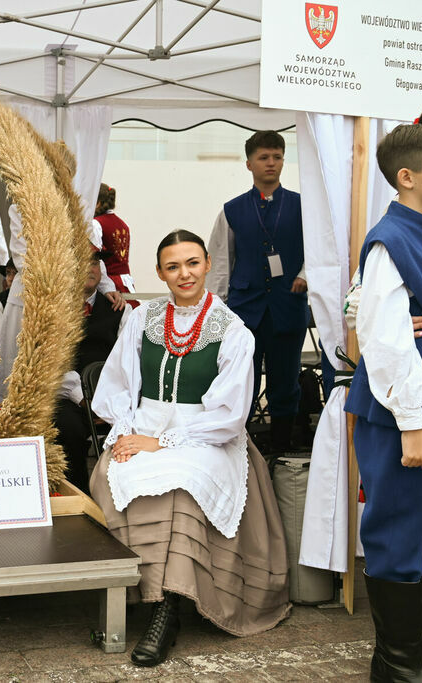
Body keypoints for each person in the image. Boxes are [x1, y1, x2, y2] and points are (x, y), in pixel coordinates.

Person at [89, 229, 290, 667]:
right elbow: (117, 385)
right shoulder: (141, 319)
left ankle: (167, 610)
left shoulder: (233, 331)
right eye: (174, 266)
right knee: (116, 472)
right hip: (144, 421)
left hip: (206, 433)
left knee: (183, 483)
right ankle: (138, 595)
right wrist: (128, 432)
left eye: (193, 263)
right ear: (160, 273)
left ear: (208, 266)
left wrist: (162, 442)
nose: (185, 273)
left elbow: (228, 415)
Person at [344, 123, 422, 681]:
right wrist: (410, 423)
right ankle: (395, 666)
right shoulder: (393, 237)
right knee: (398, 535)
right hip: (408, 416)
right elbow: (383, 339)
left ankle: (412, 660)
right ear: (409, 178)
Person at [207, 131, 308, 452]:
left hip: (287, 308)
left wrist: (305, 275)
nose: (271, 163)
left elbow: (321, 249)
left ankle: (279, 452)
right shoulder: (232, 210)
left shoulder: (302, 206)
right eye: (264, 157)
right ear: (249, 163)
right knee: (240, 383)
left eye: (277, 157)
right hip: (243, 311)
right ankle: (239, 450)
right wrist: (218, 310)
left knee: (285, 384)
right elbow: (221, 260)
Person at [53, 247, 128, 494]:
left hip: (112, 395)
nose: (90, 268)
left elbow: (129, 362)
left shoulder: (120, 310)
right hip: (69, 396)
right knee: (66, 425)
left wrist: (110, 400)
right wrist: (83, 398)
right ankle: (80, 492)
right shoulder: (52, 311)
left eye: (95, 262)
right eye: (82, 261)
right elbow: (49, 364)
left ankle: (122, 492)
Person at [93, 184, 137, 295]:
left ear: (97, 203)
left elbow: (96, 257)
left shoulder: (95, 223)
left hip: (109, 285)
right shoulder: (123, 224)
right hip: (126, 283)